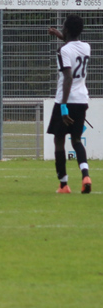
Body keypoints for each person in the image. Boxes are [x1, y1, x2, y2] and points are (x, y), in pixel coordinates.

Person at [47, 14, 92, 194]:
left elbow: (68, 77)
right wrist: (60, 35)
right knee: (76, 140)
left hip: (65, 100)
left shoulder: (63, 50)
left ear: (66, 29)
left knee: (59, 140)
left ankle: (64, 184)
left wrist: (64, 107)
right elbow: (72, 45)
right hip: (82, 100)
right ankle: (86, 175)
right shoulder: (86, 47)